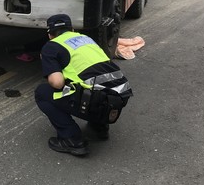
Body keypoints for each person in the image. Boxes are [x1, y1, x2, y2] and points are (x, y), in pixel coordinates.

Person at [34, 14, 132, 156]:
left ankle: (72, 140)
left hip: (98, 100)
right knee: (87, 85)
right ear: (72, 29)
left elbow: (57, 82)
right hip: (119, 96)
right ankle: (99, 127)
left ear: (50, 35)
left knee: (43, 93)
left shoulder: (51, 46)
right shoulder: (86, 39)